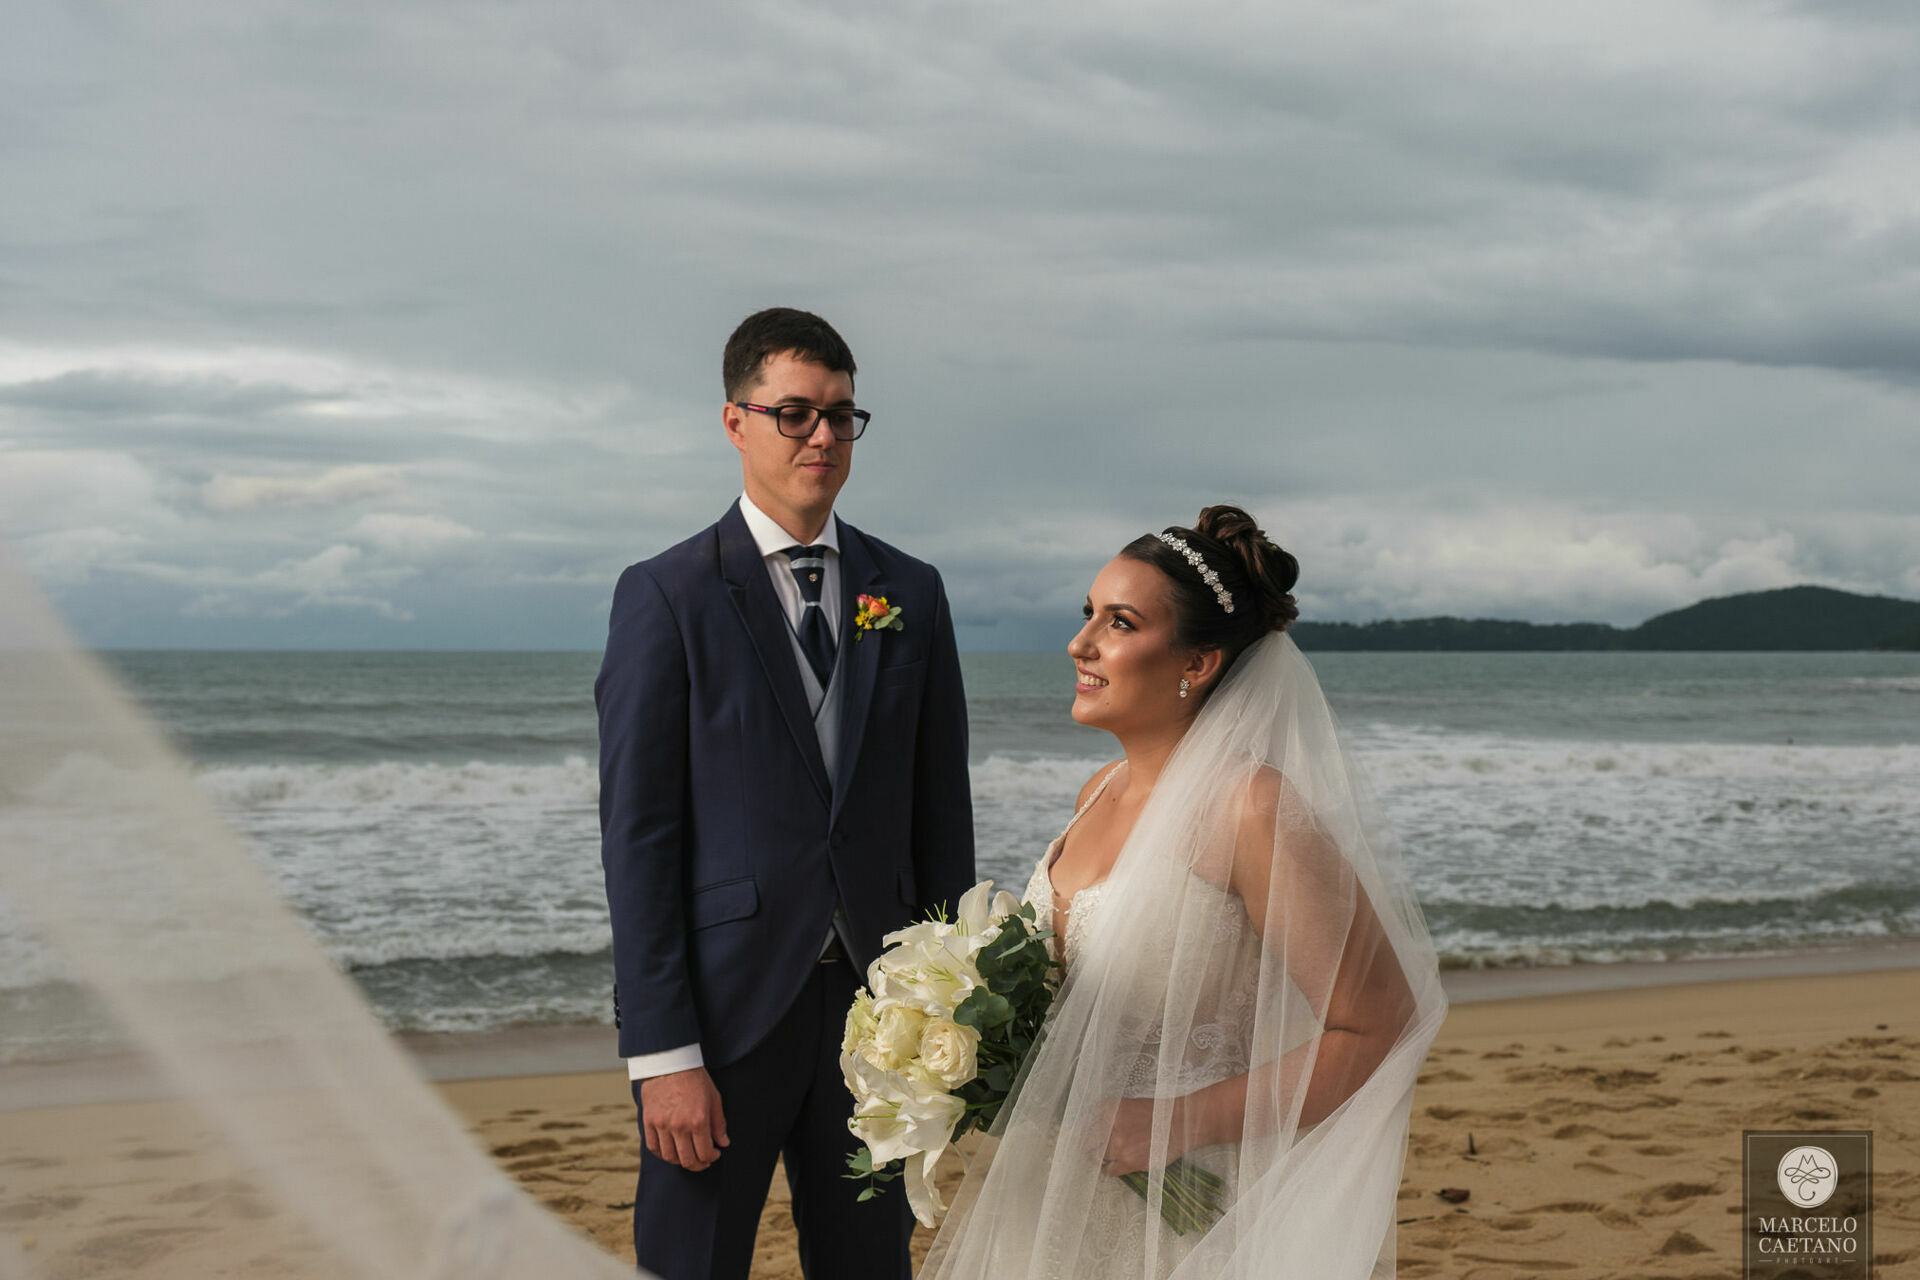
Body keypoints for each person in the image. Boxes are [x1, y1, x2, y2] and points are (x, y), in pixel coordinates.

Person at [924, 506, 1446, 1280]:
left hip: (1179, 1219)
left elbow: (1380, 1027)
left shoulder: (1250, 810)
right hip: (1048, 1198)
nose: (1081, 643)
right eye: (1088, 615)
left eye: (1120, 622)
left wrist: (1175, 1124)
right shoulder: (1096, 792)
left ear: (1196, 664)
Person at [596, 308, 976, 1279]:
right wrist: (662, 1052)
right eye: (795, 413)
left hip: (879, 1015)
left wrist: (949, 1010)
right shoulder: (668, 594)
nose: (821, 436)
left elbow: (941, 814)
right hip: (722, 1022)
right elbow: (640, 838)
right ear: (735, 421)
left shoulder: (911, 592)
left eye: (841, 416)